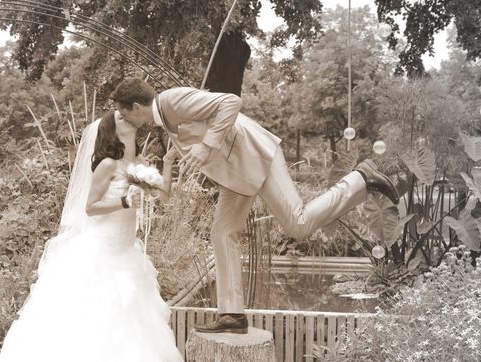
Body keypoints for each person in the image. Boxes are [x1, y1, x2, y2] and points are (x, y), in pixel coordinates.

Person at [0, 110, 192, 362]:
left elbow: (163, 196)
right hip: (100, 251)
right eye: (126, 125)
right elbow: (91, 207)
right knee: (91, 320)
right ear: (114, 133)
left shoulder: (136, 162)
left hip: (126, 252)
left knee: (129, 322)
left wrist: (167, 164)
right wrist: (126, 202)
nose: (133, 129)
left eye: (133, 126)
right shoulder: (105, 165)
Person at [113, 78, 399, 335]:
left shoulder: (171, 100)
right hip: (240, 173)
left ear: (136, 106)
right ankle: (232, 314)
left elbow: (230, 102)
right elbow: (202, 122)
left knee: (297, 225)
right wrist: (187, 147)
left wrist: (206, 145)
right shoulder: (165, 116)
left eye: (124, 112)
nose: (123, 118)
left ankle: (361, 178)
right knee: (222, 233)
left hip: (257, 156)